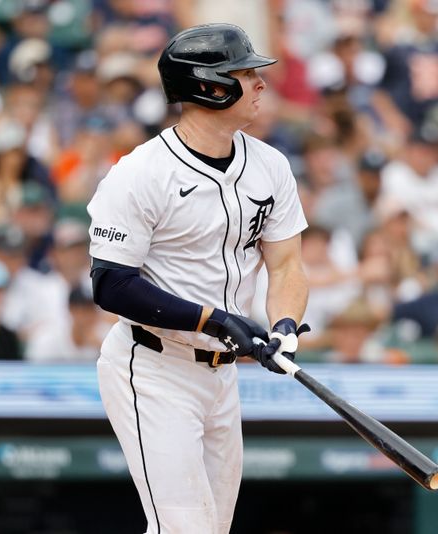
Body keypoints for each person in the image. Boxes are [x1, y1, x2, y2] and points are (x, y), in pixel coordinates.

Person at [87, 24, 309, 534]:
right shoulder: (140, 173)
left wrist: (286, 325)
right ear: (209, 86)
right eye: (245, 73)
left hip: (221, 376)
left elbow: (287, 264)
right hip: (154, 366)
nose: (259, 84)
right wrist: (216, 319)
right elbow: (111, 284)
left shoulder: (269, 165)